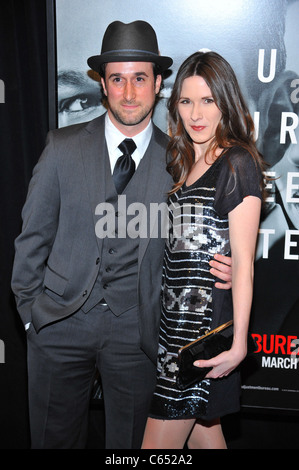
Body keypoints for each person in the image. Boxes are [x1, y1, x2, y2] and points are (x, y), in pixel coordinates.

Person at [11, 22, 232, 449]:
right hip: (59, 326)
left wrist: (227, 264)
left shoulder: (182, 162)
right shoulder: (62, 147)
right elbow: (32, 238)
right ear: (103, 84)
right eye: (117, 78)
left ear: (159, 83)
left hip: (138, 335)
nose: (129, 93)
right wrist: (30, 315)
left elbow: (200, 242)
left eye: (139, 78)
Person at [142, 51, 266, 449]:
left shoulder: (236, 162)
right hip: (171, 331)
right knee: (206, 439)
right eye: (186, 100)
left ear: (225, 102)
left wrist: (240, 345)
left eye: (208, 100)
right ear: (175, 105)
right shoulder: (185, 163)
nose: (196, 113)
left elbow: (243, 264)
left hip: (200, 334)